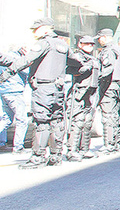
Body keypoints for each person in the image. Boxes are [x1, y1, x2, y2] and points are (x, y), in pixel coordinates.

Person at [0, 18, 92, 168]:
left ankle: (38, 157)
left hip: (43, 89)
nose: (34, 32)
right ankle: (55, 156)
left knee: (41, 122)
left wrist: (5, 75)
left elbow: (26, 60)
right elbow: (77, 64)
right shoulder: (62, 44)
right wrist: (66, 71)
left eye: (36, 29)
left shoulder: (44, 43)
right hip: (57, 89)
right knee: (56, 121)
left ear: (45, 29)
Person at [65, 35, 100, 161]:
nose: (90, 46)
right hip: (79, 92)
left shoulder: (92, 58)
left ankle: (84, 149)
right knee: (78, 122)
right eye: (87, 44)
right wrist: (82, 69)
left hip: (90, 94)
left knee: (87, 122)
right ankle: (72, 150)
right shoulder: (77, 57)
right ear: (80, 44)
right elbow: (68, 69)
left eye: (91, 44)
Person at [97, 28, 120, 153]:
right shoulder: (119, 50)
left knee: (108, 116)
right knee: (116, 114)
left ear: (104, 37)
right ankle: (117, 142)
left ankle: (109, 144)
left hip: (109, 85)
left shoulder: (108, 50)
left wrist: (98, 78)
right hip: (118, 85)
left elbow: (108, 69)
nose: (99, 40)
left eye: (100, 38)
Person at [0, 48, 28, 153]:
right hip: (14, 91)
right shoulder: (16, 58)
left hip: (3, 91)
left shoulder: (4, 56)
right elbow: (27, 71)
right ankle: (18, 147)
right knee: (22, 120)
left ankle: (1, 143)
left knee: (6, 119)